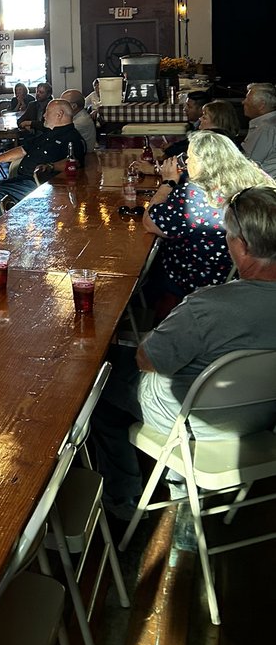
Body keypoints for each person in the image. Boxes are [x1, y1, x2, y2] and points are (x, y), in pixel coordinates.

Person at [91, 186, 276, 518]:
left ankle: (123, 497)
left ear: (243, 246)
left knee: (97, 379)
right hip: (263, 420)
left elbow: (146, 360)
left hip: (189, 423)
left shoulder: (207, 306)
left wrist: (160, 333)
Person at [141, 130, 273, 315]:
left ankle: (156, 316)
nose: (186, 162)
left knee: (152, 262)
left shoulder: (194, 196)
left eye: (189, 157)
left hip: (200, 279)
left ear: (203, 162)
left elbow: (150, 222)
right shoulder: (260, 179)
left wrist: (168, 182)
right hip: (256, 274)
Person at [0, 99, 85, 231]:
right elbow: (22, 150)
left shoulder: (72, 137)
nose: (44, 116)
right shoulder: (47, 134)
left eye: (47, 112)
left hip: (42, 185)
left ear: (59, 114)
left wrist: (50, 166)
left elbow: (73, 162)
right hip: (22, 180)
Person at [163, 90, 211, 160]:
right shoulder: (194, 124)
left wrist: (171, 149)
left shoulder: (205, 128)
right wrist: (173, 145)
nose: (185, 109)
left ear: (202, 109)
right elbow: (187, 142)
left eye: (189, 107)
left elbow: (190, 147)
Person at [242, 82, 276, 176]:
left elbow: (248, 163)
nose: (243, 102)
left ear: (261, 105)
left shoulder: (266, 128)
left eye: (247, 99)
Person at [60, 88, 97, 154]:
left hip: (84, 156)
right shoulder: (76, 116)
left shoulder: (81, 121)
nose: (59, 106)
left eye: (63, 103)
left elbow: (60, 135)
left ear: (74, 106)